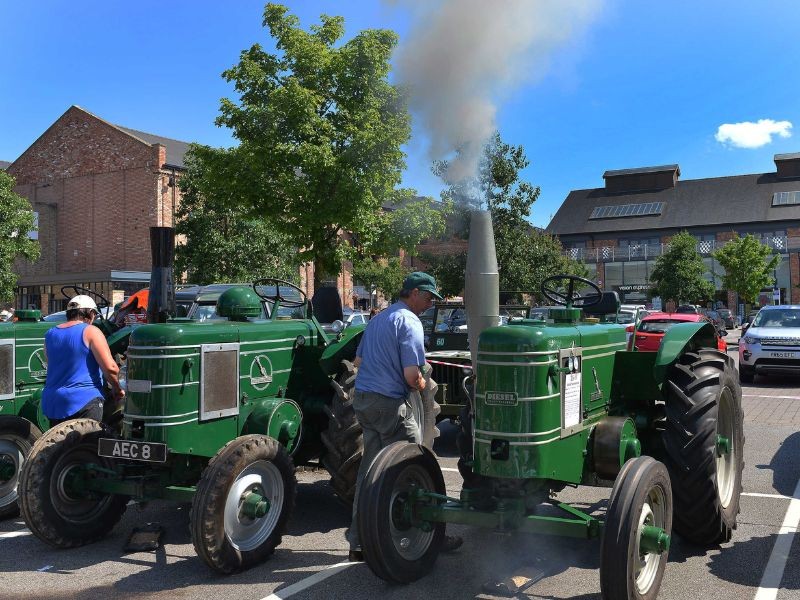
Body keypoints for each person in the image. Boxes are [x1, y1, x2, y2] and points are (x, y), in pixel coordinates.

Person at [346, 271, 462, 562]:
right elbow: (412, 376)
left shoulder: (377, 320)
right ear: (413, 294)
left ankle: (359, 542)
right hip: (388, 404)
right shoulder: (410, 322)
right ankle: (430, 535)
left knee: (370, 472)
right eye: (426, 298)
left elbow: (358, 362)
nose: (429, 304)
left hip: (364, 402)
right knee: (418, 465)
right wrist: (423, 387)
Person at [42, 294, 124, 426]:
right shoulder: (91, 331)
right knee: (87, 445)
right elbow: (111, 368)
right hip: (84, 400)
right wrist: (118, 388)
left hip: (53, 401)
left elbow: (50, 361)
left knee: (62, 445)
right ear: (90, 313)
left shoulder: (50, 334)